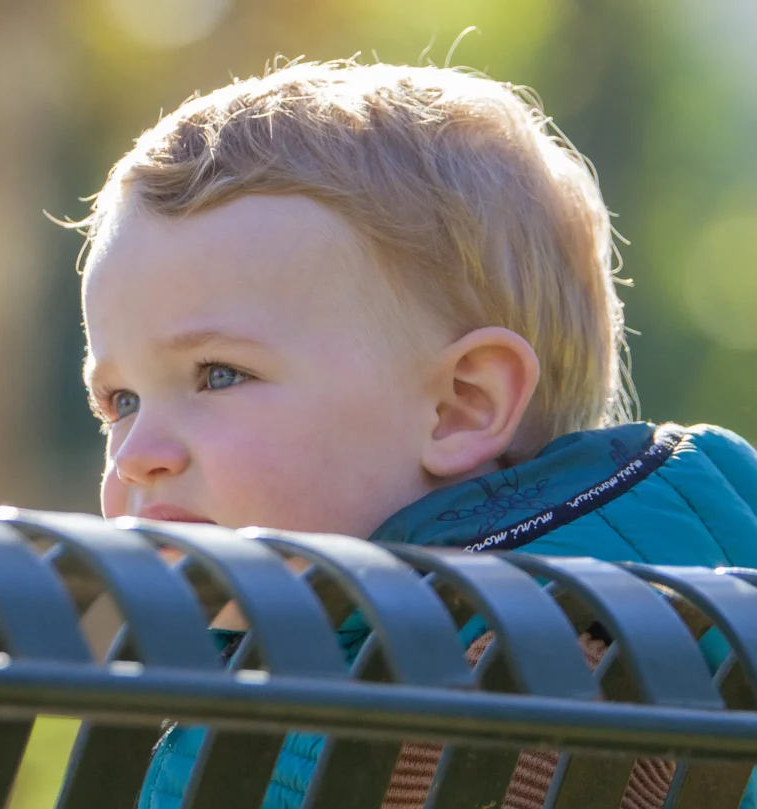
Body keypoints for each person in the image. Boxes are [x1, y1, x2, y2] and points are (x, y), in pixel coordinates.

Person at [68, 59, 757, 809]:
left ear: (460, 405)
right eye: (120, 398)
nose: (137, 456)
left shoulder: (507, 715)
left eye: (218, 374)